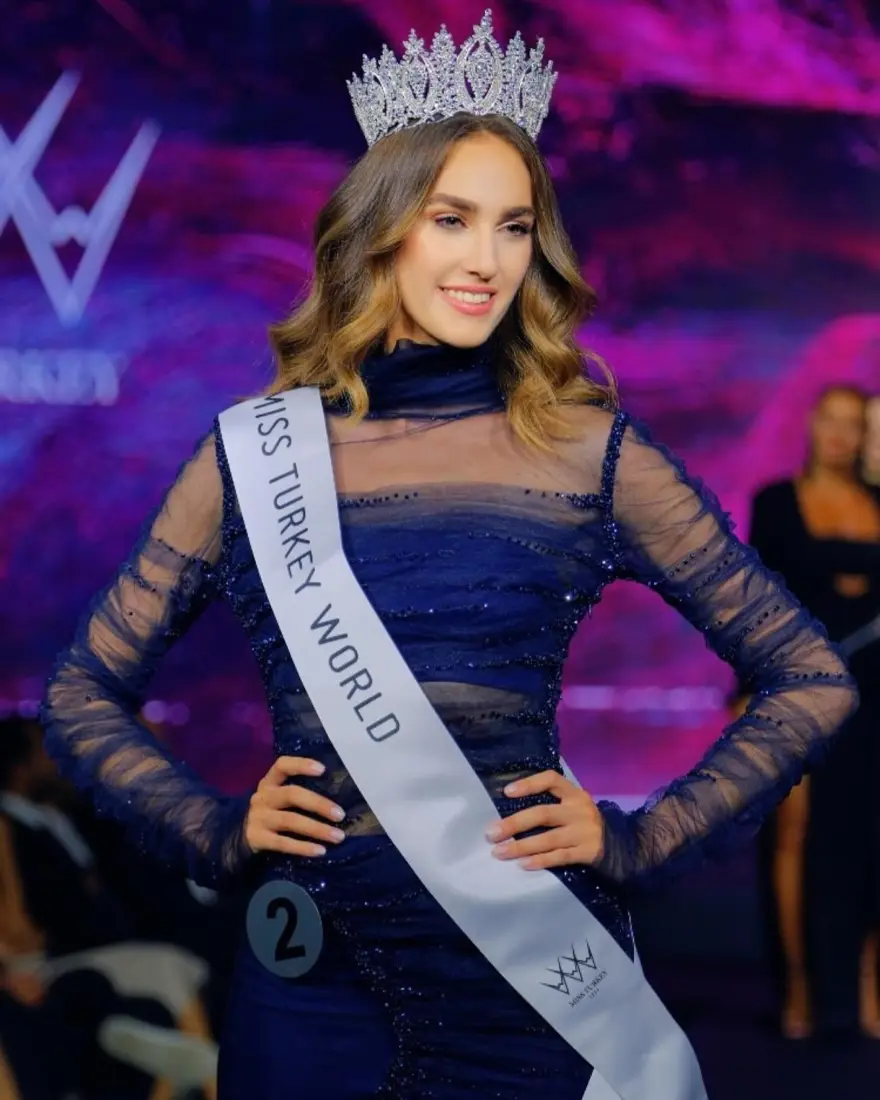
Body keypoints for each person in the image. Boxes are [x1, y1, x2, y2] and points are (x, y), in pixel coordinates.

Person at [40, 12, 857, 1099]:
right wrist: (214, 828)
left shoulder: (585, 450)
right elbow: (80, 693)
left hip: (531, 978)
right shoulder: (256, 454)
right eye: (451, 218)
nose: (486, 260)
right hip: (310, 982)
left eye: (514, 226)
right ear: (382, 230)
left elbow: (809, 676)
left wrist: (641, 839)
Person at [746, 385, 880, 1039]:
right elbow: (755, 601)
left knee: (872, 841)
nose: (840, 434)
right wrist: (748, 686)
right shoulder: (777, 501)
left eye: (854, 424)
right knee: (793, 837)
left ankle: (869, 990)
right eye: (831, 420)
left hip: (876, 694)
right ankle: (798, 991)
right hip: (796, 689)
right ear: (811, 423)